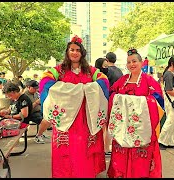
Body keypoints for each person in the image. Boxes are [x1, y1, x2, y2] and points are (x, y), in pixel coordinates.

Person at [39, 35, 109, 178]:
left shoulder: (91, 71)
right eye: (71, 49)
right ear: (67, 52)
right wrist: (77, 90)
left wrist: (85, 90)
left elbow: (104, 82)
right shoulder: (59, 70)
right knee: (66, 151)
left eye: (77, 50)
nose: (74, 52)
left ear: (82, 53)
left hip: (85, 118)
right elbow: (45, 82)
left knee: (84, 150)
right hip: (66, 120)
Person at [107, 48, 164, 178]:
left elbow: (158, 101)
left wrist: (139, 101)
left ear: (141, 63)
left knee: (141, 158)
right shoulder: (122, 80)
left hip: (142, 128)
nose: (131, 64)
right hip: (123, 128)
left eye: (134, 61)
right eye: (129, 62)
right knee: (121, 154)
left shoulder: (149, 81)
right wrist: (119, 99)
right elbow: (111, 94)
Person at [24, 80, 51, 144]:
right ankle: (38, 136)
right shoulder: (25, 96)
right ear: (28, 87)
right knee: (44, 121)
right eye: (34, 88)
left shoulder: (36, 94)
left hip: (39, 111)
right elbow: (27, 109)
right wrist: (36, 102)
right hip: (31, 113)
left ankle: (42, 132)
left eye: (37, 88)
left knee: (50, 118)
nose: (36, 90)